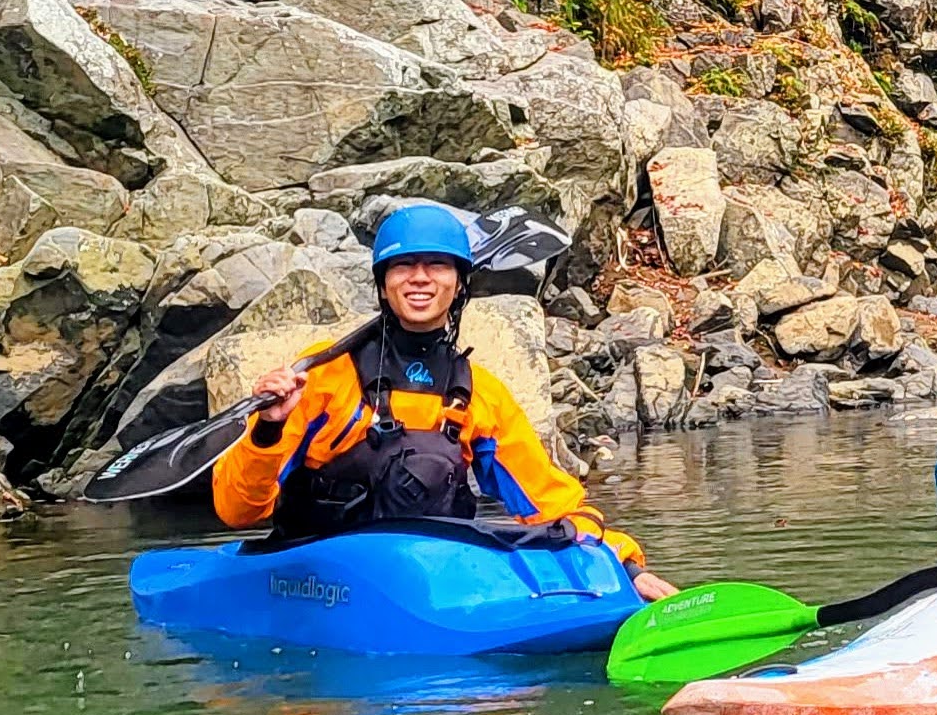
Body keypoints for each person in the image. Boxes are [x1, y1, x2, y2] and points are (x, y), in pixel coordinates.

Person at [213, 202, 676, 600]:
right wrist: (269, 427)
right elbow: (238, 512)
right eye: (404, 266)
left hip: (432, 580)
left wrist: (626, 566)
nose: (420, 279)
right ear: (383, 283)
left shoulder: (479, 394)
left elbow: (554, 504)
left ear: (458, 283)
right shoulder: (322, 377)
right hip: (322, 578)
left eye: (437, 265)